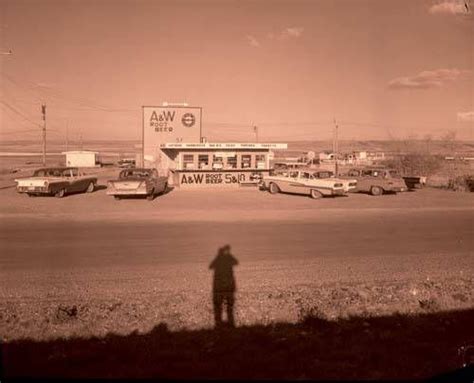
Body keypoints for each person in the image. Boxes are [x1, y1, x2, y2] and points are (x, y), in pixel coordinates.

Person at [209, 245, 239, 328]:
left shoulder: (218, 260)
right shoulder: (228, 259)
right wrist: (229, 254)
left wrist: (218, 256)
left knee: (219, 308)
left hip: (219, 288)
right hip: (228, 287)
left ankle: (219, 325)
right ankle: (230, 324)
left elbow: (211, 266)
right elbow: (236, 262)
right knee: (229, 307)